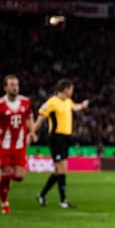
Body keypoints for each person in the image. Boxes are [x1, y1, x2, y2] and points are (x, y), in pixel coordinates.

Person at [32, 78, 89, 209]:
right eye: (71, 89)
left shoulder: (68, 101)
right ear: (66, 89)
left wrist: (83, 105)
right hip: (55, 138)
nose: (72, 92)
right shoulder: (52, 102)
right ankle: (63, 200)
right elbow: (40, 118)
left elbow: (75, 107)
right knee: (62, 168)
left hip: (66, 138)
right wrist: (31, 132)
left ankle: (42, 195)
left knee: (60, 170)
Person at [0, 75, 35, 214]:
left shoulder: (25, 102)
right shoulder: (1, 104)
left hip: (20, 145)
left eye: (17, 85)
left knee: (19, 177)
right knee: (6, 173)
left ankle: (3, 179)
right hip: (4, 146)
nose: (15, 87)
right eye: (12, 85)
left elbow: (29, 117)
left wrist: (32, 132)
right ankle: (5, 203)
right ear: (5, 87)